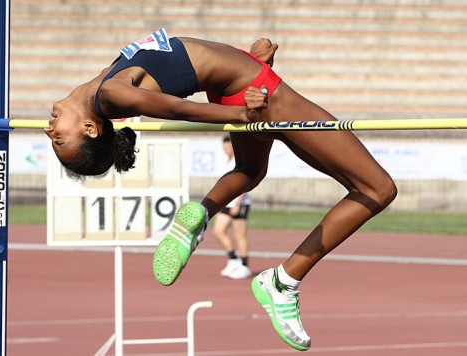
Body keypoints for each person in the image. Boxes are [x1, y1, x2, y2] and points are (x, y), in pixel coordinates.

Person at [45, 29, 397, 351]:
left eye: (54, 136)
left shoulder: (106, 83)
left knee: (249, 170)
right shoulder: (110, 91)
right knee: (378, 189)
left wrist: (251, 59)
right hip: (259, 94)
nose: (50, 131)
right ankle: (283, 281)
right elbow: (176, 107)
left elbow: (188, 66)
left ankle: (201, 214)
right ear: (90, 129)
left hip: (239, 85)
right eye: (60, 138)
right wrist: (244, 113)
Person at [213, 135, 252, 279]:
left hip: (239, 203)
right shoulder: (225, 161)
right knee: (218, 231)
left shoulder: (238, 161)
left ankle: (244, 265)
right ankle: (233, 258)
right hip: (227, 202)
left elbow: (244, 184)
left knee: (239, 234)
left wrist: (238, 203)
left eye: (229, 147)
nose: (227, 150)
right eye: (225, 148)